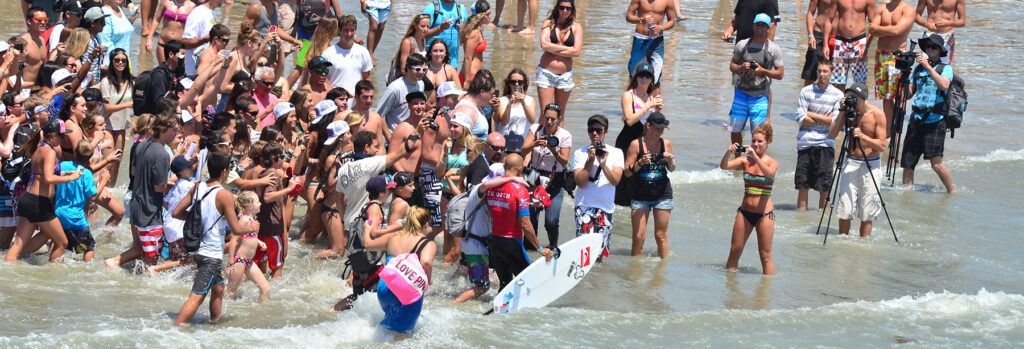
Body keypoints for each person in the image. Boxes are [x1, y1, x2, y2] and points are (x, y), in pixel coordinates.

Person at [171, 152, 259, 327]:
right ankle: (174, 332)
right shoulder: (223, 194)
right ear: (225, 171)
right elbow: (235, 228)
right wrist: (252, 227)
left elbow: (176, 212)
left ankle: (216, 324)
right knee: (197, 296)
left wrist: (199, 221)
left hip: (197, 248)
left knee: (218, 288)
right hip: (210, 253)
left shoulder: (197, 187)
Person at [4, 119, 82, 263]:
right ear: (52, 136)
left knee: (18, 244)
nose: (63, 139)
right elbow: (48, 178)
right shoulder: (50, 152)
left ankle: (8, 267)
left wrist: (65, 174)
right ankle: (54, 277)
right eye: (62, 136)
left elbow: (41, 174)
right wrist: (72, 178)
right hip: (38, 203)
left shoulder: (38, 148)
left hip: (27, 198)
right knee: (62, 242)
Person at [360, 206, 436, 334]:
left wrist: (367, 229)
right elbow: (426, 262)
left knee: (388, 326)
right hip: (406, 289)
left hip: (385, 288)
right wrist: (428, 279)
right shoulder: (428, 244)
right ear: (426, 224)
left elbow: (367, 245)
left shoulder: (392, 237)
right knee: (401, 336)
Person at [825, 83, 887, 238]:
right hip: (851, 161)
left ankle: (863, 245)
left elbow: (882, 145)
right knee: (845, 207)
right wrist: (841, 112)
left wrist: (864, 137)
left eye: (854, 98)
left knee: (867, 210)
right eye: (848, 96)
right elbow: (831, 135)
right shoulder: (847, 112)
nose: (850, 100)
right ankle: (843, 242)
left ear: (862, 99)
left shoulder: (876, 114)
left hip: (871, 164)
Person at [487, 154, 554, 291]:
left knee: (505, 285)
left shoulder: (492, 187)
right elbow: (525, 224)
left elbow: (504, 204)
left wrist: (528, 204)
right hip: (512, 243)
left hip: (495, 242)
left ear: (504, 166)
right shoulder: (520, 190)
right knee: (530, 284)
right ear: (520, 169)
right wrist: (540, 248)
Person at [720, 124, 778, 275]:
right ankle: (731, 290)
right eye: (753, 141)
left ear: (768, 142)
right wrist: (728, 152)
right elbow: (724, 166)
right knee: (734, 251)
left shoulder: (772, 162)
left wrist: (756, 158)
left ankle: (765, 293)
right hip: (745, 213)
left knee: (765, 256)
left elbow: (769, 174)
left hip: (764, 215)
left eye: (760, 141)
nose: (755, 144)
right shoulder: (745, 161)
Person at [326, 174, 388, 311]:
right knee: (378, 294)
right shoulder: (375, 208)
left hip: (362, 258)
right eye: (388, 190)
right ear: (382, 193)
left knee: (359, 295)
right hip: (371, 261)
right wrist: (395, 230)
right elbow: (372, 232)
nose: (389, 193)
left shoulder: (367, 205)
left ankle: (332, 310)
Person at [901, 34, 954, 193]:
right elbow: (908, 95)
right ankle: (907, 194)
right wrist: (904, 76)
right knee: (908, 163)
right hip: (916, 120)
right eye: (928, 47)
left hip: (935, 121)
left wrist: (928, 67)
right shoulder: (918, 69)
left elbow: (944, 85)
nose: (930, 49)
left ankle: (952, 191)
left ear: (940, 50)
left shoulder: (946, 68)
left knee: (936, 163)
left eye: (934, 47)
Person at [622, 112, 674, 259]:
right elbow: (627, 172)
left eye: (662, 129)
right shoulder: (636, 144)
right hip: (640, 195)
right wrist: (640, 162)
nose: (660, 132)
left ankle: (662, 272)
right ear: (648, 125)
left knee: (661, 236)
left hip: (662, 194)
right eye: (657, 128)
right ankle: (635, 273)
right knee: (639, 237)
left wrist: (670, 161)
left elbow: (672, 168)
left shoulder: (666, 144)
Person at [571, 114, 623, 260]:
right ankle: (585, 282)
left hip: (605, 208)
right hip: (584, 207)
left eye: (598, 130)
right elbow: (580, 182)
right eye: (591, 130)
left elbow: (615, 181)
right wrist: (590, 160)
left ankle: (596, 282)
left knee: (600, 255)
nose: (594, 133)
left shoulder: (617, 153)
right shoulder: (580, 153)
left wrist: (603, 163)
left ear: (605, 132)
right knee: (584, 255)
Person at [727, 13, 784, 146]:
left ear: (768, 28)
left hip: (760, 97)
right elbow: (732, 66)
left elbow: (780, 74)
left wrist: (762, 70)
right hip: (740, 94)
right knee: (735, 129)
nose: (760, 27)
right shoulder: (742, 45)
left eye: (763, 25)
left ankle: (755, 162)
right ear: (753, 26)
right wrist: (741, 68)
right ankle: (737, 160)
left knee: (758, 134)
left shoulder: (774, 49)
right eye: (758, 24)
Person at [520, 104, 570, 248]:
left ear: (559, 119)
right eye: (546, 118)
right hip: (534, 180)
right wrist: (534, 144)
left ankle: (553, 247)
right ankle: (530, 251)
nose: (549, 122)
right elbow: (523, 151)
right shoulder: (535, 129)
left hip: (554, 181)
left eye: (552, 119)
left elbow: (564, 161)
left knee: (551, 221)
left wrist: (554, 150)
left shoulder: (565, 135)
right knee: (530, 220)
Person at [795, 60, 842, 211]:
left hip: (826, 144)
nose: (822, 75)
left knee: (825, 188)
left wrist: (811, 114)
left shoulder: (838, 95)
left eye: (825, 71)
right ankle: (801, 220)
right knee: (803, 186)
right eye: (819, 71)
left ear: (831, 74)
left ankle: (821, 223)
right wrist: (824, 119)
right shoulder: (806, 91)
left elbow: (834, 123)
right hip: (805, 142)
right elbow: (801, 118)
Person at [614, 61, 662, 207]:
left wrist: (657, 111)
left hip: (643, 143)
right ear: (636, 77)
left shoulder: (651, 98)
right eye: (641, 74)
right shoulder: (628, 95)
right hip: (627, 142)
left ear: (652, 79)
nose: (644, 78)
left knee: (641, 178)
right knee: (625, 180)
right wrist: (648, 106)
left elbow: (651, 125)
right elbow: (629, 120)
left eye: (648, 75)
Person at [869, 0, 914, 129]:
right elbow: (872, 29)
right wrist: (889, 30)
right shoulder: (882, 8)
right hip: (881, 55)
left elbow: (898, 31)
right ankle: (888, 129)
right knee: (885, 96)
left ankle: (898, 129)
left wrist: (880, 30)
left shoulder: (908, 9)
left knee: (899, 95)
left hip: (898, 56)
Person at [536, 0, 581, 122]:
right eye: (562, 7)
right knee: (546, 113)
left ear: (572, 10)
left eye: (568, 8)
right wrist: (568, 49)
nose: (565, 10)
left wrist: (553, 48)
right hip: (546, 73)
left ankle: (559, 141)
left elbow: (576, 52)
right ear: (557, 8)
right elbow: (544, 45)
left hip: (565, 76)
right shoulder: (548, 23)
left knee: (559, 115)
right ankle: (539, 140)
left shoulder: (576, 27)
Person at [54, 141, 99, 262]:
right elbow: (93, 196)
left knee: (63, 247)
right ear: (89, 158)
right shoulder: (86, 173)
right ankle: (87, 270)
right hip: (76, 218)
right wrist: (104, 181)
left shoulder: (63, 165)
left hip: (59, 215)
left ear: (75, 153)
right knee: (89, 246)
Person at [224, 191, 271, 301]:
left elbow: (246, 236)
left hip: (248, 262)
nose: (260, 204)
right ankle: (218, 315)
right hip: (239, 261)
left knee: (266, 288)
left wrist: (259, 242)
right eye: (257, 202)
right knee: (230, 293)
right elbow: (233, 240)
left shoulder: (252, 219)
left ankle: (262, 314)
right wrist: (230, 263)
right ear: (250, 206)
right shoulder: (244, 220)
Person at [99, 48, 133, 187]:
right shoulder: (106, 82)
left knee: (117, 160)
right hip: (107, 124)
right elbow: (107, 108)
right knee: (108, 160)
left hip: (122, 125)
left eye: (123, 60)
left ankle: (111, 188)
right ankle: (102, 188)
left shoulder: (131, 82)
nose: (120, 63)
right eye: (117, 60)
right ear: (112, 62)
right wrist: (128, 104)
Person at [827, 0, 875, 91]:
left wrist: (866, 47)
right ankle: (839, 104)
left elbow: (873, 25)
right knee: (837, 82)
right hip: (840, 41)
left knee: (860, 84)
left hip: (860, 42)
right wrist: (826, 44)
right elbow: (829, 20)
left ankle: (859, 104)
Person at [625, 0, 677, 83]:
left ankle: (654, 95)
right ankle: (631, 95)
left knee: (656, 75)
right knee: (634, 74)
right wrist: (640, 20)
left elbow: (672, 21)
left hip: (657, 41)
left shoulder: (667, 1)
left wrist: (661, 28)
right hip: (640, 39)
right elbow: (628, 17)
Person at [322, 15, 372, 95]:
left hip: (356, 101)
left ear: (356, 31)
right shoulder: (328, 54)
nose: (349, 34)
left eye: (352, 30)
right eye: (346, 30)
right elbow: (323, 81)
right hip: (335, 100)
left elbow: (367, 79)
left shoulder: (363, 52)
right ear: (339, 31)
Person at [379, 53, 427, 132]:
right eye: (418, 69)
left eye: (424, 69)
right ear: (408, 68)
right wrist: (389, 138)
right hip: (396, 135)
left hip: (414, 133)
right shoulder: (395, 88)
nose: (421, 72)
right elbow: (379, 116)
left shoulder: (421, 84)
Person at [494, 68, 536, 152]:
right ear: (509, 84)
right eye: (513, 82)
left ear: (524, 84)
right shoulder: (502, 100)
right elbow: (504, 121)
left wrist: (523, 103)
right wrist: (509, 104)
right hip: (504, 146)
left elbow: (531, 120)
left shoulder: (530, 100)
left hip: (523, 145)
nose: (516, 85)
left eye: (520, 82)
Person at [421, 0, 469, 71]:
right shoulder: (431, 9)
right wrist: (440, 28)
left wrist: (463, 30)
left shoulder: (461, 9)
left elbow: (466, 39)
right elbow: (421, 36)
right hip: (432, 64)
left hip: (452, 64)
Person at [914, 0, 965, 64]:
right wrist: (926, 24)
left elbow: (962, 22)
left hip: (947, 35)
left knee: (944, 65)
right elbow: (917, 16)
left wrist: (949, 23)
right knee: (924, 63)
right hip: (929, 35)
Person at [387, 14, 430, 85]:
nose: (426, 29)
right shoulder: (408, 42)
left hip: (418, 76)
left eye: (428, 26)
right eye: (422, 26)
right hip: (407, 79)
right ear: (415, 26)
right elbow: (403, 68)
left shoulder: (423, 40)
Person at [181, 0, 221, 77]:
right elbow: (186, 43)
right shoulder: (198, 13)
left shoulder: (211, 12)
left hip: (205, 68)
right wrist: (208, 38)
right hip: (193, 72)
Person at [801, 0, 836, 86]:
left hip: (837, 37)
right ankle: (806, 98)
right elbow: (810, 12)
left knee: (835, 77)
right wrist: (810, 35)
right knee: (810, 74)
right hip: (818, 35)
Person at [459, 1, 491, 84]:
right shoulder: (474, 33)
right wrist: (466, 80)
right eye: (487, 14)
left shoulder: (479, 29)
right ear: (480, 16)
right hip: (470, 76)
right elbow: (467, 58)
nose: (490, 17)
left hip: (477, 75)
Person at [20, 7, 52, 88]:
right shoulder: (22, 42)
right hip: (25, 88)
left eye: (45, 19)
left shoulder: (41, 40)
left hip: (39, 87)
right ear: (29, 21)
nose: (43, 22)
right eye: (39, 20)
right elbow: (10, 66)